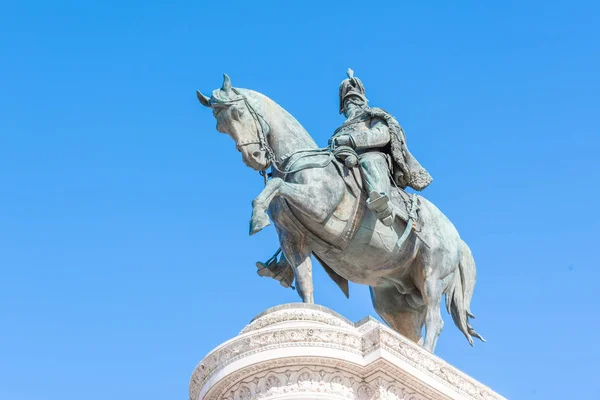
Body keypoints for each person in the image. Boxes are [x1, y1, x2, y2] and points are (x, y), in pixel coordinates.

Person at [330, 68, 432, 225]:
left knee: (369, 160)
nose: (351, 105)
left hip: (375, 157)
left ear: (362, 101)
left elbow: (382, 135)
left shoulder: (373, 115)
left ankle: (383, 205)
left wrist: (351, 140)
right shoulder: (340, 129)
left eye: (353, 101)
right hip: (345, 159)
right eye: (347, 103)